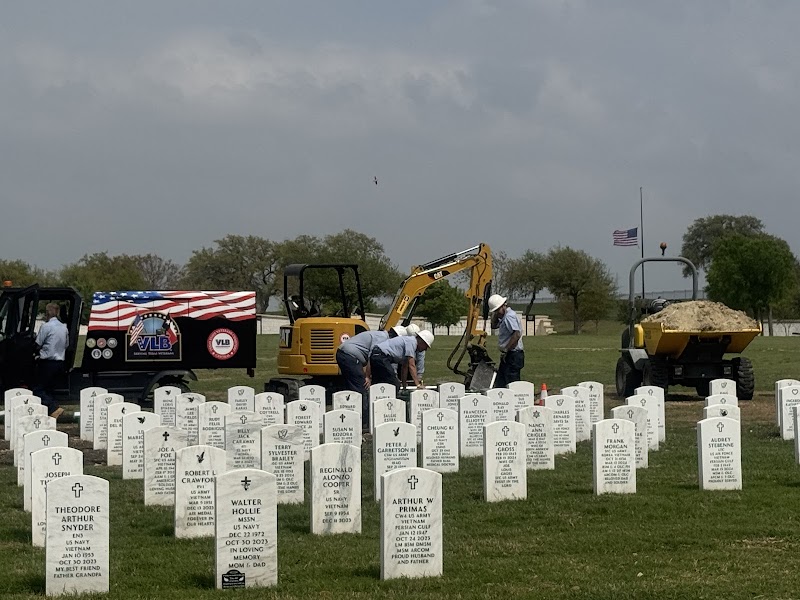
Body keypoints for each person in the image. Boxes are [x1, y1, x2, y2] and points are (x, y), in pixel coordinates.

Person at [336, 325, 405, 428]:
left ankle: (353, 417)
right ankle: (361, 421)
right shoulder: (381, 338)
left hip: (346, 355)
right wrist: (368, 376)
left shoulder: (381, 336)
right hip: (349, 356)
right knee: (360, 388)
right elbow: (372, 356)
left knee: (352, 387)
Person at [33, 302, 69, 419]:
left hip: (47, 362)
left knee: (38, 389)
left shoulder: (46, 327)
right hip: (60, 362)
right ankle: (50, 413)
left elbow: (38, 344)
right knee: (49, 389)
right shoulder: (63, 328)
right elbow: (66, 344)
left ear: (48, 313)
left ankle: (54, 408)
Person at [369, 329, 433, 390]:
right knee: (394, 384)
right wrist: (418, 385)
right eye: (426, 346)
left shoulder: (409, 343)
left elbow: (404, 367)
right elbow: (412, 365)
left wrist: (404, 385)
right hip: (381, 356)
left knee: (378, 383)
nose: (425, 349)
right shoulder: (412, 342)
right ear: (422, 341)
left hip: (376, 354)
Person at [488, 294, 524, 388]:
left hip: (513, 354)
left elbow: (516, 334)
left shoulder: (509, 317)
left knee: (511, 383)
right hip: (510, 354)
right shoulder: (505, 316)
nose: (497, 313)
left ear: (503, 306)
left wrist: (506, 350)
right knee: (501, 382)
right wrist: (495, 315)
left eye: (497, 310)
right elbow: (494, 325)